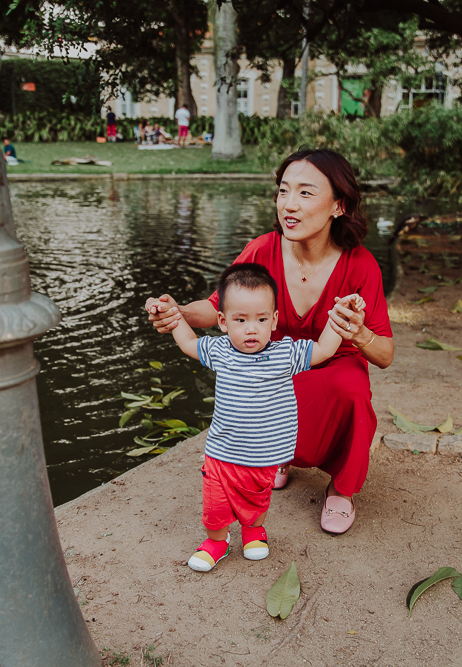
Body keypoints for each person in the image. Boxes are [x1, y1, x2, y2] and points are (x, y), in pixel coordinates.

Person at [146, 149, 394, 535]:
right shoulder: (262, 249)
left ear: (338, 206)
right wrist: (175, 311)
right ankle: (274, 455)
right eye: (283, 191)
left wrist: (358, 332)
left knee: (351, 387)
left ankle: (341, 491)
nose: (289, 205)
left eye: (305, 193)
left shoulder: (360, 265)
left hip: (331, 364)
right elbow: (217, 310)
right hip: (271, 362)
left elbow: (385, 355)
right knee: (256, 376)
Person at [154, 261, 364, 571]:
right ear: (223, 322)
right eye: (240, 320)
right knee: (215, 506)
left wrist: (339, 315)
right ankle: (217, 542)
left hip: (265, 453)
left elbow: (323, 350)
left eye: (261, 319)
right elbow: (187, 342)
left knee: (256, 500)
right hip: (221, 453)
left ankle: (254, 531)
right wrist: (173, 317)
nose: (251, 328)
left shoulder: (284, 354)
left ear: (274, 320)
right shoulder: (220, 350)